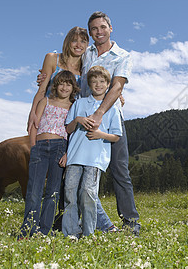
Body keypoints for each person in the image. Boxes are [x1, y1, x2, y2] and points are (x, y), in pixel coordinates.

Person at [38, 12, 141, 236]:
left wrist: (100, 113)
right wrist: (46, 76)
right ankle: (71, 222)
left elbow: (116, 86)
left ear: (111, 28)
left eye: (102, 27)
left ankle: (131, 222)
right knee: (74, 173)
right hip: (81, 119)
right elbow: (69, 68)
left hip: (108, 118)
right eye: (94, 29)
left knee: (119, 171)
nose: (98, 32)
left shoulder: (122, 55)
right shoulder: (88, 53)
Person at [62, 66, 122, 238]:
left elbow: (116, 136)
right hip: (75, 157)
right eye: (94, 81)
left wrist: (100, 134)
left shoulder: (112, 109)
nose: (98, 84)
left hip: (95, 159)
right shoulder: (79, 104)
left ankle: (88, 234)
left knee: (88, 194)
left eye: (102, 81)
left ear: (108, 84)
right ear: (89, 83)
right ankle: (71, 232)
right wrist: (78, 119)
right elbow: (68, 129)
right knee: (70, 194)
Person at [19, 70, 79, 239]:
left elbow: (74, 133)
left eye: (68, 84)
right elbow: (34, 126)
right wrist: (33, 147)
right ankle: (28, 229)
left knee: (53, 191)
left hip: (60, 147)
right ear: (55, 85)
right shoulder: (45, 101)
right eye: (61, 83)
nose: (64, 87)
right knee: (34, 190)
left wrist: (68, 153)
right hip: (40, 146)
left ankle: (44, 230)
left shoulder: (73, 106)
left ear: (73, 87)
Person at [28, 26, 88, 133]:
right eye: (74, 41)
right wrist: (33, 112)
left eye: (83, 41)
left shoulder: (86, 68)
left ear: (87, 45)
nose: (79, 45)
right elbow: (42, 90)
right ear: (68, 42)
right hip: (48, 117)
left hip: (71, 120)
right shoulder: (52, 59)